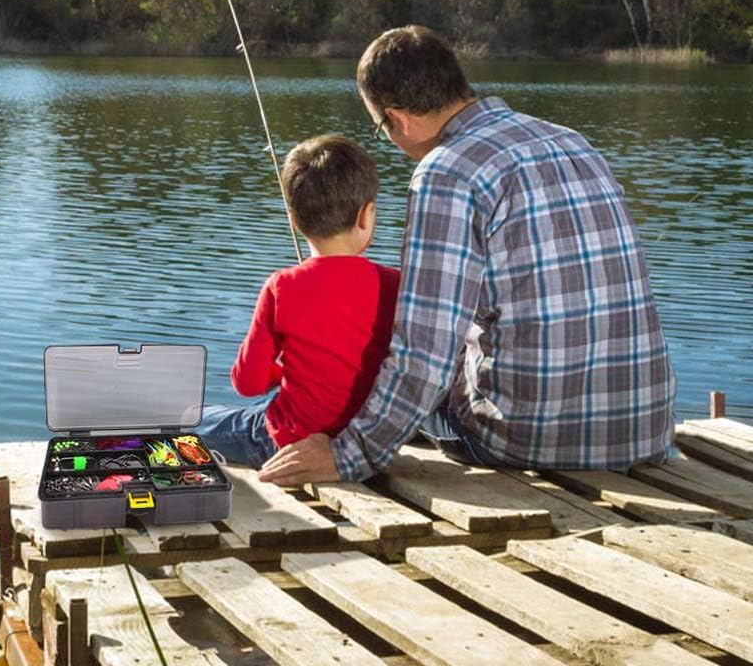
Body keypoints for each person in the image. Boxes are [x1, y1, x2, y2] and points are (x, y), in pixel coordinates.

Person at [259, 25, 676, 485]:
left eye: (382, 130)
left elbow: (423, 355)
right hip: (643, 431)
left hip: (526, 441)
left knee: (348, 393)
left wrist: (347, 455)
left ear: (399, 119)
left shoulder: (447, 172)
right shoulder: (572, 141)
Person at [198, 134, 400, 468]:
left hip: (283, 442)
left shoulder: (282, 287)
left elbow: (247, 383)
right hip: (365, 443)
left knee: (193, 420)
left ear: (294, 219)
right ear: (366, 215)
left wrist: (280, 374)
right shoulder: (394, 284)